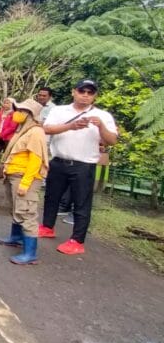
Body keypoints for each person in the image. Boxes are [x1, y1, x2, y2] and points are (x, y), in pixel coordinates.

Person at [38, 79, 118, 255]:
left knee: (81, 203)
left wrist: (101, 126)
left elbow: (112, 140)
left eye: (90, 93)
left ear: (95, 96)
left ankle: (77, 240)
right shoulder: (59, 110)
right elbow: (47, 129)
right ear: (74, 92)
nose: (85, 96)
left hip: (84, 164)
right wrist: (71, 126)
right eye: (82, 91)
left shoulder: (103, 115)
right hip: (59, 160)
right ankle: (47, 226)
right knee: (51, 197)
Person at [0, 99, 47, 265]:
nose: (16, 113)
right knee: (16, 208)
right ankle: (16, 237)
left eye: (21, 111)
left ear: (30, 114)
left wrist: (25, 183)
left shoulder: (36, 132)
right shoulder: (23, 129)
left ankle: (30, 253)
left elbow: (36, 160)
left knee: (26, 213)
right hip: (14, 175)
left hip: (24, 177)